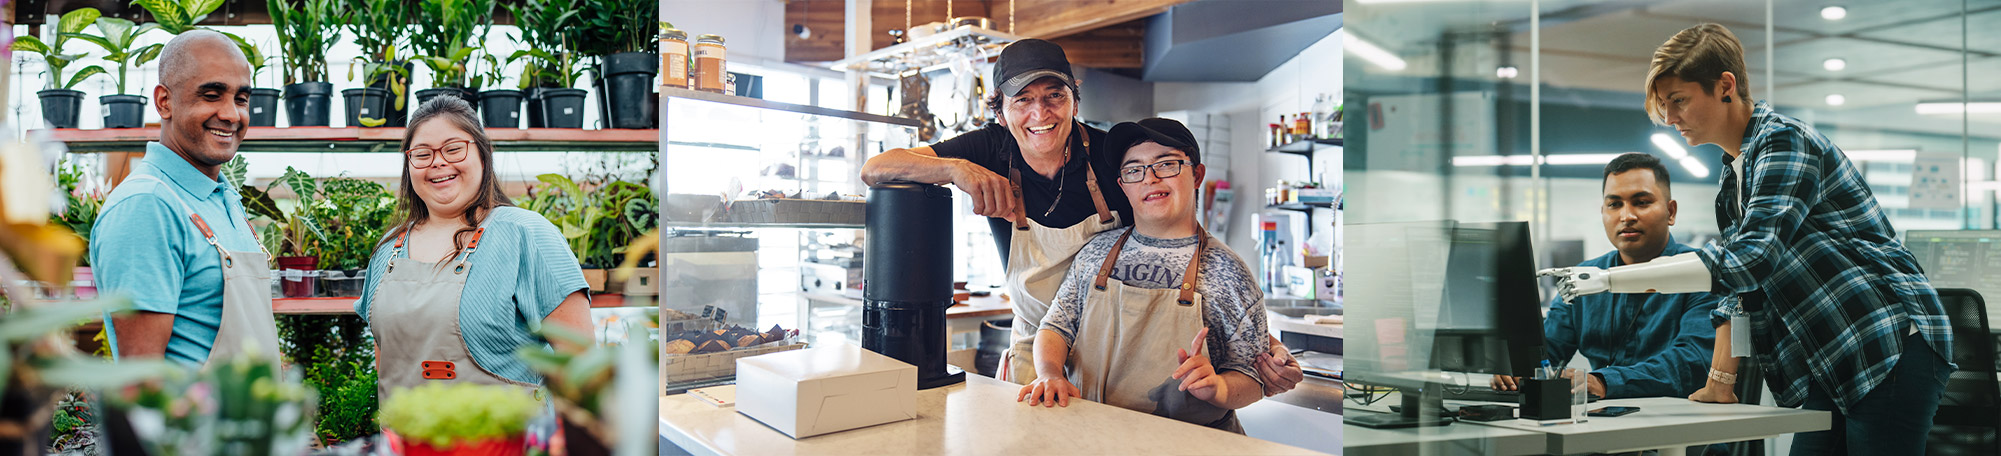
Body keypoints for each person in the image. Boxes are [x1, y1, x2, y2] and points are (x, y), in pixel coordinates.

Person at [1542, 23, 1954, 454]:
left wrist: (1608, 280)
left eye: (1678, 101)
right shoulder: (1734, 177)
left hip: (1885, 343)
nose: (1669, 118)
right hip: (1831, 356)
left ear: (1725, 86)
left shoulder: (1785, 141)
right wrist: (1720, 384)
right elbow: (1738, 291)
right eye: (1664, 105)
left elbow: (1750, 261)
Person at [860, 39, 1303, 394]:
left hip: (1115, 348)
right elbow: (876, 169)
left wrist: (1255, 338)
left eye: (1055, 96)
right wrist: (955, 168)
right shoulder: (988, 149)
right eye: (1023, 100)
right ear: (1000, 110)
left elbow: (1177, 243)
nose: (1041, 114)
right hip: (1037, 348)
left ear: (1074, 99)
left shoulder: (1113, 156)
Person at [1015, 118, 1270, 433]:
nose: (1150, 178)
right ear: (1123, 185)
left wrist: (1218, 388)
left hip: (1191, 444)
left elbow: (1254, 377)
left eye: (1166, 165)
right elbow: (1055, 328)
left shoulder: (1228, 271)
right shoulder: (1095, 253)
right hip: (1093, 435)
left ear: (1197, 175)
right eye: (1134, 170)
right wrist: (1050, 372)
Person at [355, 97, 593, 402]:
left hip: (508, 444)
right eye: (422, 154)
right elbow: (388, 362)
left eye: (453, 149)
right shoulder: (389, 249)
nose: (438, 162)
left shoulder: (526, 235)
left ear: (484, 153)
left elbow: (581, 368)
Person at [93, 30, 282, 367]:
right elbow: (142, 378)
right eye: (211, 95)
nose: (232, 114)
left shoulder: (223, 197)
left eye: (241, 98)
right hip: (190, 421)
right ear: (165, 102)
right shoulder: (148, 206)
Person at [1493, 153, 1722, 399]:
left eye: (1642, 202)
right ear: (1603, 212)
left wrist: (1604, 382)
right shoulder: (1583, 280)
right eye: (1614, 205)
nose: (1627, 216)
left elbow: (1693, 361)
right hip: (1602, 423)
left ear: (1671, 211)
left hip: (1687, 425)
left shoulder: (1702, 273)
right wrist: (1515, 368)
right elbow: (1547, 349)